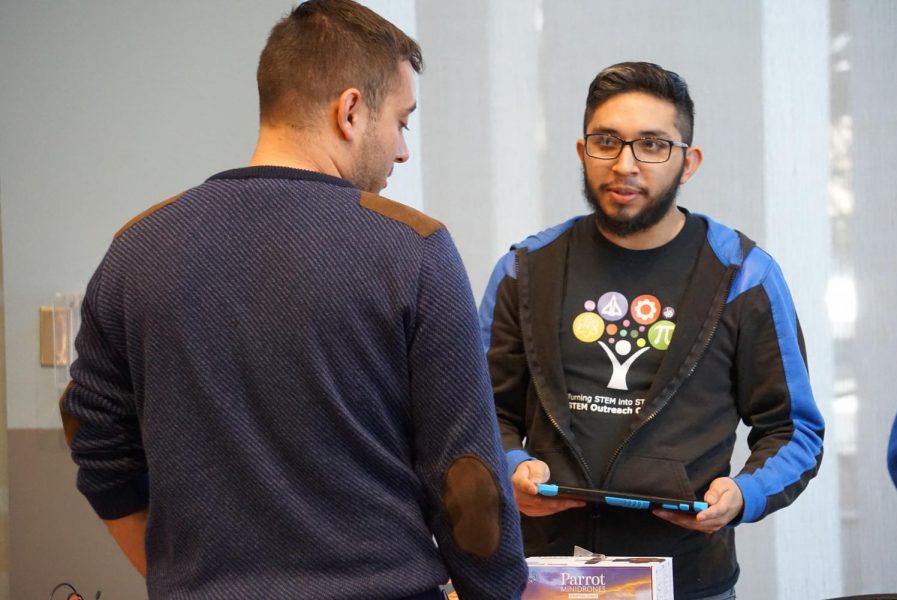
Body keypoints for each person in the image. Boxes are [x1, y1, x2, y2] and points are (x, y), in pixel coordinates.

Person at [59, 2, 528, 598]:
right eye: (402, 122)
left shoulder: (137, 247)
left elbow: (92, 437)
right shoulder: (415, 250)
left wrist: (176, 576)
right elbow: (470, 486)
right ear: (351, 111)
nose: (403, 152)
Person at [479, 62, 825, 600]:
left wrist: (743, 493)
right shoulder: (526, 269)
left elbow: (794, 430)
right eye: (607, 141)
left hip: (690, 579)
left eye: (653, 145)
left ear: (689, 162)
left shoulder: (744, 274)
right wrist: (511, 469)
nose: (626, 164)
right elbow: (481, 411)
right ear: (581, 151)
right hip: (546, 576)